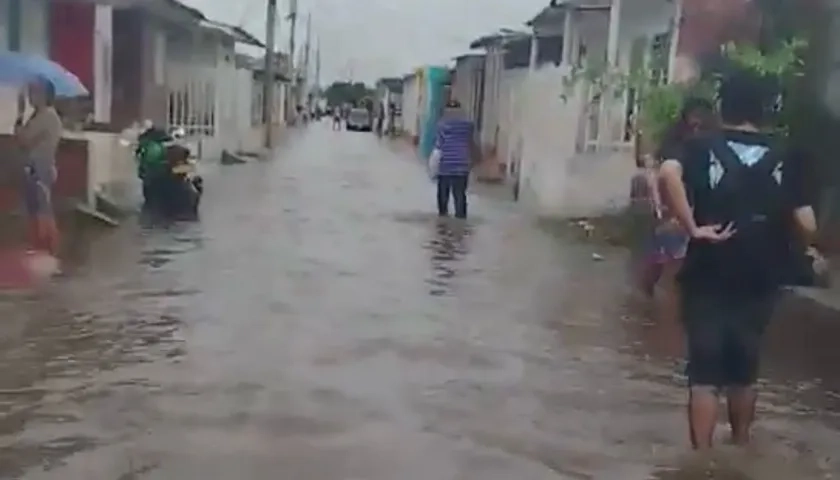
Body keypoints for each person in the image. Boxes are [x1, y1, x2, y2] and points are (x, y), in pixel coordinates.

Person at [659, 71, 821, 450]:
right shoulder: (786, 155)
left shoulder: (701, 147)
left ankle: (701, 459)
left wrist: (693, 226)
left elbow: (668, 172)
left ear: (722, 106)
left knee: (704, 370)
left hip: (708, 267)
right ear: (764, 110)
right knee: (744, 367)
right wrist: (803, 244)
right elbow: (807, 222)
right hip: (760, 273)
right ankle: (742, 445)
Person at [640, 98, 716, 298]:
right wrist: (658, 206)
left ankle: (663, 309)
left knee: (675, 265)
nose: (698, 121)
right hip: (670, 209)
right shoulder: (676, 141)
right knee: (657, 263)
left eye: (702, 116)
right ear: (687, 116)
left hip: (690, 210)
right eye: (695, 115)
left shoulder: (712, 143)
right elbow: (660, 174)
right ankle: (649, 304)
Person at [14, 78, 63, 259]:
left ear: (44, 95)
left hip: (40, 169)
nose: (30, 96)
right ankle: (39, 248)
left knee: (42, 211)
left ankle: (47, 249)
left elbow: (23, 140)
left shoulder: (47, 116)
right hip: (34, 168)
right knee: (35, 210)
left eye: (34, 91)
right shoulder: (39, 115)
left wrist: (19, 114)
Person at [433, 100, 476, 219]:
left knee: (443, 195)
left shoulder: (441, 125)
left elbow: (439, 145)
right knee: (460, 195)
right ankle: (461, 221)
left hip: (445, 164)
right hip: (462, 163)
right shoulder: (468, 125)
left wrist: (432, 166)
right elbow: (471, 143)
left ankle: (442, 219)